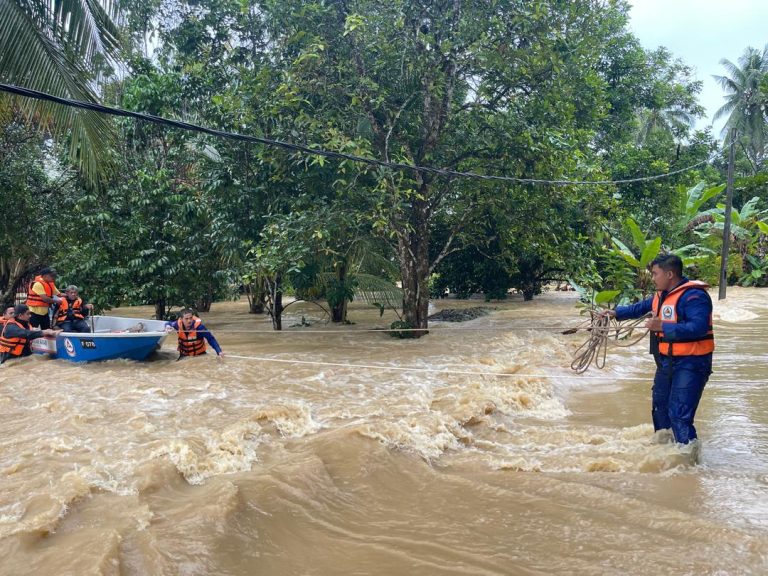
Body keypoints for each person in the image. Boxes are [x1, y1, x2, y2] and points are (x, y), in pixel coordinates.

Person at [603, 254, 714, 447]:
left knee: (679, 415)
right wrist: (615, 313)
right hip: (667, 361)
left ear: (669, 274)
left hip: (692, 362)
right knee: (660, 408)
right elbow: (638, 308)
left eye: (655, 273)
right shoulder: (661, 295)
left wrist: (663, 326)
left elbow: (698, 327)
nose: (652, 278)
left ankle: (688, 459)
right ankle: (664, 454)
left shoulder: (694, 297)